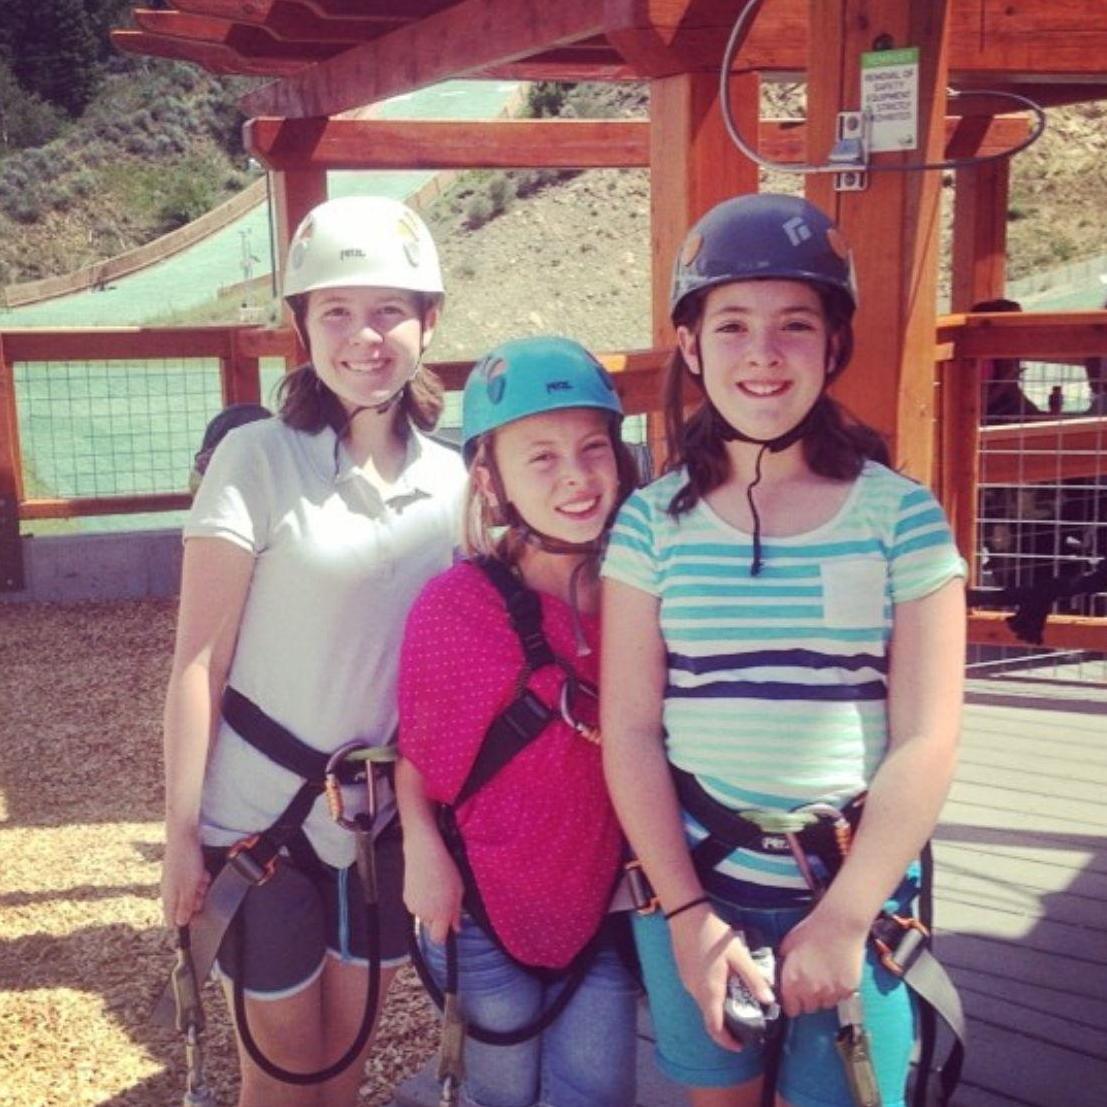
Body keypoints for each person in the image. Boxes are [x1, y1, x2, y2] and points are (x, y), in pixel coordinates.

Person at [600, 194, 966, 1107]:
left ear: (832, 345)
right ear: (690, 348)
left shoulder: (902, 518)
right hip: (699, 884)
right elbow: (632, 728)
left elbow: (927, 735)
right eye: (730, 326)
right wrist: (686, 917)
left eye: (794, 325)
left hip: (857, 889)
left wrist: (845, 917)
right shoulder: (650, 522)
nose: (761, 353)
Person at [160, 194, 466, 1107]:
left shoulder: (452, 482)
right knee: (283, 1078)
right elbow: (196, 664)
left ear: (426, 322)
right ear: (301, 325)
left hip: (377, 826)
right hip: (260, 820)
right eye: (335, 310)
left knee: (345, 1070)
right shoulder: (256, 458)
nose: (363, 335)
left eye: (388, 310)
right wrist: (179, 839)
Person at [396, 336, 642, 1107]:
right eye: (540, 457)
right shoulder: (458, 608)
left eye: (592, 448)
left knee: (597, 1088)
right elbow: (420, 762)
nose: (575, 476)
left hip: (596, 904)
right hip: (476, 902)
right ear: (488, 478)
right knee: (502, 1088)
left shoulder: (644, 601)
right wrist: (422, 852)